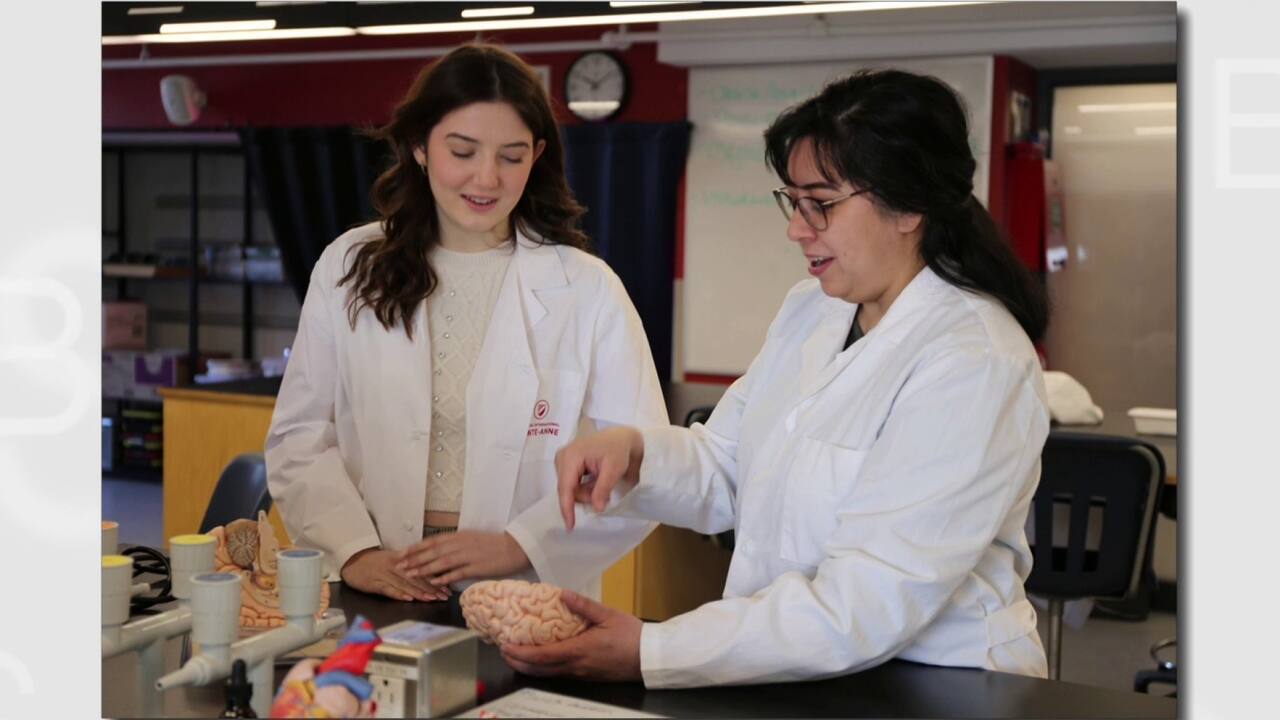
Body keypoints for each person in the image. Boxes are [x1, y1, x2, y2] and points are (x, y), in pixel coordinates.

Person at [502, 69, 1052, 687]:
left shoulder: (973, 360)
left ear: (910, 205)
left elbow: (869, 601)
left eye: (822, 203)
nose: (797, 227)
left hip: (933, 682)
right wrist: (636, 456)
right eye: (793, 201)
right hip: (791, 665)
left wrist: (651, 651)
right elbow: (731, 464)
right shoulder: (813, 308)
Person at [265, 44, 665, 604]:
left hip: (525, 587)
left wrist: (521, 544)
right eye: (463, 150)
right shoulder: (350, 266)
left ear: (538, 156)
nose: (486, 177)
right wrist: (354, 552)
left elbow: (641, 465)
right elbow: (299, 438)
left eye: (511, 155)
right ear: (419, 147)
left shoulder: (586, 288)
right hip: (380, 575)